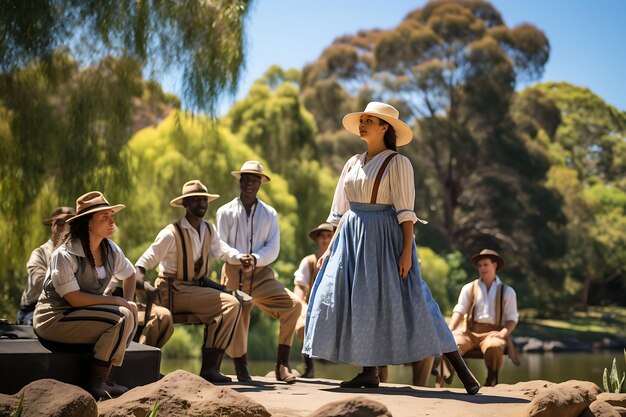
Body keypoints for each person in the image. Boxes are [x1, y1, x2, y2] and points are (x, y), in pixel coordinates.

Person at [303, 102, 480, 394]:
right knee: (355, 301)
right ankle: (369, 372)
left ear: (384, 127)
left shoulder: (399, 163)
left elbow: (405, 213)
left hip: (384, 238)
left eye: (369, 120)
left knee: (418, 302)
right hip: (351, 238)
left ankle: (463, 372)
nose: (363, 124)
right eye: (362, 120)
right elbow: (338, 212)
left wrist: (407, 252)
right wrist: (330, 248)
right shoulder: (352, 162)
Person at [135, 180, 242, 383]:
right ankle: (209, 368)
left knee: (231, 304)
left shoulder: (209, 230)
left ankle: (211, 368)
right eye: (195, 200)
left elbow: (223, 253)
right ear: (185, 204)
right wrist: (144, 286)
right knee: (231, 304)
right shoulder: (170, 233)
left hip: (194, 291)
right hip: (172, 292)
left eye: (204, 199)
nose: (201, 203)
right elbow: (141, 264)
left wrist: (242, 258)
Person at [33, 192, 138, 398]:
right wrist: (116, 300)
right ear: (87, 223)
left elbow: (130, 274)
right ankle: (96, 383)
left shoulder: (110, 249)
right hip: (56, 318)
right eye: (104, 217)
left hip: (85, 314)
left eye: (112, 216)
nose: (112, 222)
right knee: (121, 316)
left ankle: (107, 378)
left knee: (129, 313)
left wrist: (129, 300)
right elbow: (74, 299)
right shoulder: (65, 254)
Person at [217, 161, 302, 384]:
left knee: (293, 306)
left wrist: (255, 259)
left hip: (261, 273)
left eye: (255, 179)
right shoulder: (225, 211)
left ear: (260, 183)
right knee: (238, 311)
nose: (249, 183)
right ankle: (241, 366)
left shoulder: (270, 214)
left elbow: (273, 248)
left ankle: (282, 364)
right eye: (246, 178)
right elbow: (220, 245)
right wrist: (238, 257)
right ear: (240, 180)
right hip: (234, 272)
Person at [448, 249, 519, 386]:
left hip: (493, 332)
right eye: (479, 265)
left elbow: (512, 318)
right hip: (469, 332)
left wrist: (502, 334)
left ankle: (491, 379)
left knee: (494, 346)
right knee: (451, 345)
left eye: (485, 264)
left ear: (495, 265)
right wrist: (450, 330)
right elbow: (460, 310)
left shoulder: (507, 291)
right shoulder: (469, 288)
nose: (482, 268)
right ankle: (451, 376)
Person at [18, 206, 75, 325]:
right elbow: (38, 282)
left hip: (70, 306)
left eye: (70, 223)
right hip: (35, 307)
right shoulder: (39, 253)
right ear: (52, 227)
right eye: (60, 223)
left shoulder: (80, 253)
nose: (66, 227)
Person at [293, 222, 334, 378]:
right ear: (317, 240)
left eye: (329, 236)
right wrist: (301, 305)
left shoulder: (343, 260)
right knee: (302, 323)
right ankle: (308, 366)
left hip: (335, 311)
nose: (325, 240)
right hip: (313, 309)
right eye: (322, 237)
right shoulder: (309, 261)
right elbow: (300, 287)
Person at [105, 274, 174, 349]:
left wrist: (142, 284)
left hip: (128, 304)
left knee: (164, 315)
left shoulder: (118, 263)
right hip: (106, 306)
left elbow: (133, 273)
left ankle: (144, 352)